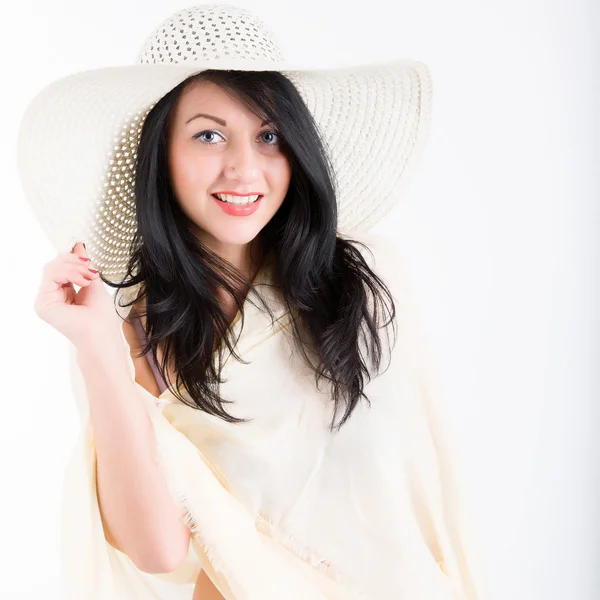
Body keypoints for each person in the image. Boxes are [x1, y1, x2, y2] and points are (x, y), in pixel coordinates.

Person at [17, 4, 488, 599]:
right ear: (158, 153)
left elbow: (416, 499)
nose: (244, 169)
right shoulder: (124, 328)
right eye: (209, 135)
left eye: (269, 135)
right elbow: (158, 549)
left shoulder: (360, 281)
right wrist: (96, 346)